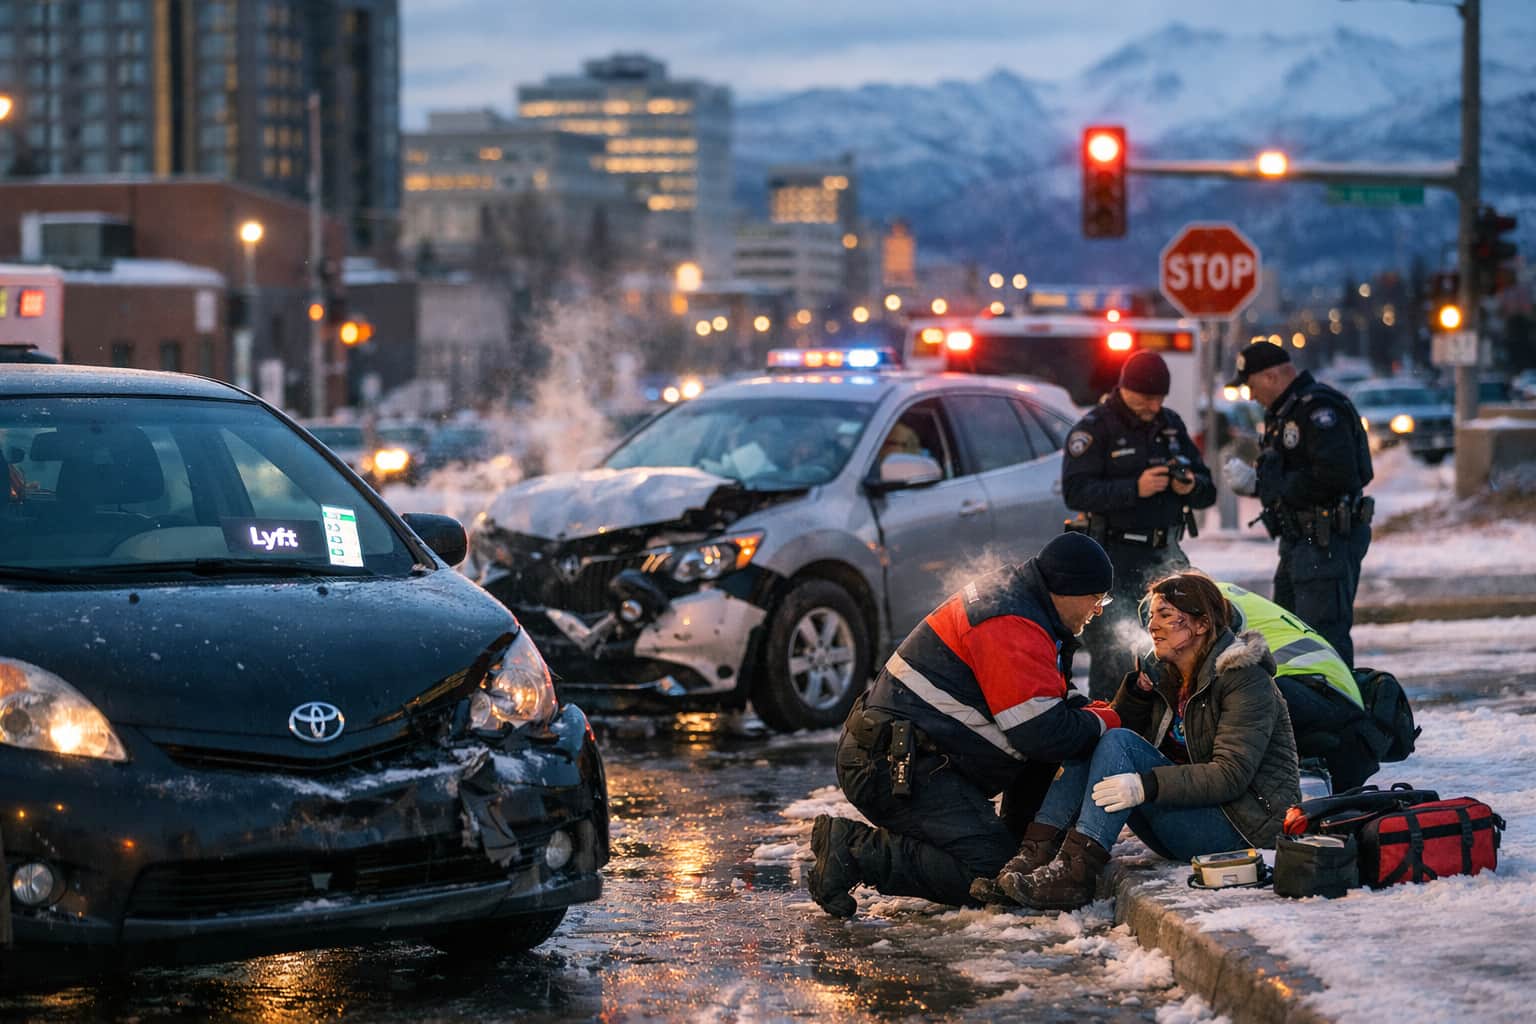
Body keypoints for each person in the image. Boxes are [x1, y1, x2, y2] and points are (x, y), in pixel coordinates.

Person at [806, 533, 1122, 919]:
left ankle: (1010, 839)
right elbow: (1041, 732)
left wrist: (1089, 712)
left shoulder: (1026, 606)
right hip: (890, 767)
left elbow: (1044, 698)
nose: (1098, 610)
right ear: (1067, 588)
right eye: (1096, 598)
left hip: (909, 757)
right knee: (995, 874)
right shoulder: (1009, 620)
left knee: (1015, 862)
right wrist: (1104, 720)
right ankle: (854, 851)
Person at [981, 571, 1301, 911]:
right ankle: (1034, 855)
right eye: (1151, 616)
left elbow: (1229, 775)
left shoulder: (1244, 679)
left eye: (1165, 615)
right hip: (1188, 817)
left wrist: (1145, 785)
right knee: (1094, 736)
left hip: (1240, 831)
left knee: (1117, 741)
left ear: (1202, 624)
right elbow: (1111, 744)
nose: (1153, 626)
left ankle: (1075, 874)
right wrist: (1136, 693)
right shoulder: (1169, 673)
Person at [1062, 350, 1217, 698]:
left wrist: (1190, 486)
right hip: (1116, 558)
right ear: (1125, 389)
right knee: (1115, 656)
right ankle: (1110, 725)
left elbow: (1208, 489)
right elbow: (1076, 491)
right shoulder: (1095, 428)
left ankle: (1168, 723)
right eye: (1146, 398)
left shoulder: (1170, 424)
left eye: (1159, 398)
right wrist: (1135, 488)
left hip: (1166, 556)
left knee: (1178, 648)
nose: (1153, 406)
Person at [1222, 343, 1374, 666]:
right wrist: (1259, 483)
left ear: (1271, 376)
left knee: (1321, 639)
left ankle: (1332, 698)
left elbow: (1335, 476)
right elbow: (1290, 472)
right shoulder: (1286, 412)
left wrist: (1263, 485)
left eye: (1251, 385)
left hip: (1326, 541)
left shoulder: (1318, 410)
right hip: (1300, 541)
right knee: (1288, 636)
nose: (1250, 395)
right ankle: (1303, 697)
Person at [1217, 580, 1384, 790]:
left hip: (1330, 715)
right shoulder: (1209, 592)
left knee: (1230, 695)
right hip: (1336, 706)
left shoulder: (1198, 603)